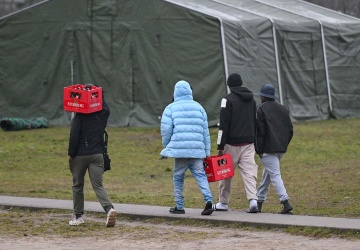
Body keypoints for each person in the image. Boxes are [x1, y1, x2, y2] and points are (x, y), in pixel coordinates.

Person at [160, 80, 214, 216]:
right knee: (201, 175)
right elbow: (205, 132)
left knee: (178, 176)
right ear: (190, 91)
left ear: (175, 92)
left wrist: (167, 146)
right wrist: (207, 151)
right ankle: (209, 200)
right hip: (197, 150)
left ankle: (179, 205)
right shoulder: (199, 107)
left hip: (180, 150)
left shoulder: (170, 108)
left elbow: (166, 130)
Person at [68, 89, 117, 226]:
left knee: (77, 185)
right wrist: (99, 94)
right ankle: (109, 209)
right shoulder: (102, 115)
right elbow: (106, 107)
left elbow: (74, 136)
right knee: (98, 185)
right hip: (97, 155)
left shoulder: (79, 116)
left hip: (80, 155)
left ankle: (78, 217)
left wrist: (71, 154)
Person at [214, 73, 259, 213]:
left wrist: (220, 146)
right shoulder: (252, 101)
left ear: (229, 85)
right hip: (249, 143)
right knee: (249, 172)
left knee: (225, 173)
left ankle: (223, 202)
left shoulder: (226, 100)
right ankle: (253, 200)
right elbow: (254, 121)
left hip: (231, 144)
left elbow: (223, 125)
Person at [255, 83, 294, 214]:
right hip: (281, 148)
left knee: (275, 175)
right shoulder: (283, 108)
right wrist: (284, 144)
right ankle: (259, 202)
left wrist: (259, 150)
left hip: (267, 149)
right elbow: (290, 130)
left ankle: (285, 202)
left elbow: (259, 132)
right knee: (267, 176)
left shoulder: (260, 109)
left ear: (263, 96)